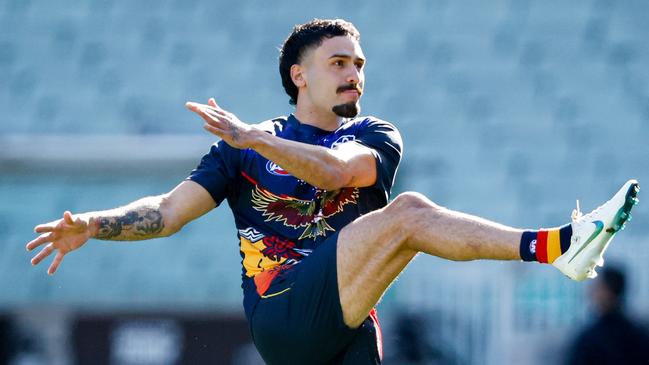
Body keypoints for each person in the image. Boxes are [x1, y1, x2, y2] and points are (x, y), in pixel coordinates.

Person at [26, 19, 640, 365]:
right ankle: (559, 246)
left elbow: (339, 173)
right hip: (283, 313)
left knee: (404, 215)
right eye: (339, 62)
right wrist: (95, 224)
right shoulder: (245, 145)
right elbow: (164, 212)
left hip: (346, 328)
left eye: (360, 64)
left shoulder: (375, 134)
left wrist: (256, 140)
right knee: (409, 215)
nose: (355, 74)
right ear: (299, 75)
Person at [565, 265, 649, 364]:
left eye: (597, 287)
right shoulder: (639, 334)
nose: (591, 290)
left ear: (608, 292)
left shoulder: (590, 340)